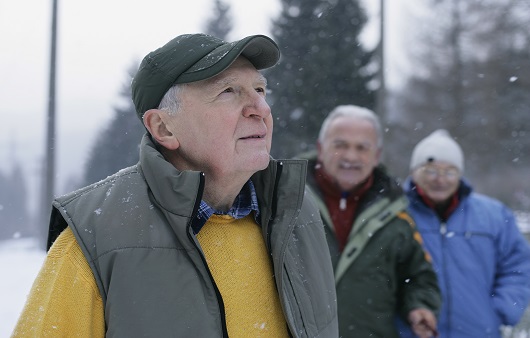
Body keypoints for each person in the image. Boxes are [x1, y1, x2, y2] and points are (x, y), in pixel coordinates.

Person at [12, 33, 338, 337]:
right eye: (228, 91)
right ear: (164, 128)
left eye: (260, 90)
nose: (261, 109)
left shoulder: (297, 213)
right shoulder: (96, 234)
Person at [300, 104, 441, 338]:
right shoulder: (285, 198)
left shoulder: (397, 213)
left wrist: (420, 306)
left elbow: (419, 275)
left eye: (362, 148)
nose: (350, 156)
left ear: (376, 156)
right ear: (320, 148)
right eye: (340, 145)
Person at [404, 129, 530, 338]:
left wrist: (501, 310)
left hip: (478, 332)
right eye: (430, 170)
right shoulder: (397, 215)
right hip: (414, 332)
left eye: (450, 171)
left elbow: (518, 265)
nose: (440, 179)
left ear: (460, 174)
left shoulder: (493, 215)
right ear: (414, 172)